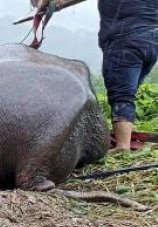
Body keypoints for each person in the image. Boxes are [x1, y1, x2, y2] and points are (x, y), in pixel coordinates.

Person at [34, 0, 158, 152]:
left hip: (125, 39)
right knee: (127, 92)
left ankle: (122, 146)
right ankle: (124, 134)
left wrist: (43, 4)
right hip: (152, 40)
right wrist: (57, 5)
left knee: (121, 95)